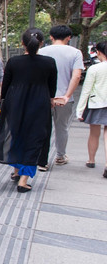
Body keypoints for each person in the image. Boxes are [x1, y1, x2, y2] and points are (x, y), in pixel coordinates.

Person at [0, 29, 57, 192]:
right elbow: (52, 86)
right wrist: (51, 99)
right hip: (39, 102)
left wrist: (3, 101)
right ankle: (23, 180)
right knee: (35, 138)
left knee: (16, 134)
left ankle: (16, 171)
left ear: (23, 43)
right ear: (41, 43)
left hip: (15, 101)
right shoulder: (49, 62)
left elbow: (6, 85)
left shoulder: (14, 61)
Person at [37, 25, 84, 168]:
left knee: (42, 127)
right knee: (61, 128)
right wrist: (67, 96)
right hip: (64, 99)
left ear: (51, 36)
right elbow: (76, 76)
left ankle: (41, 159)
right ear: (69, 37)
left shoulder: (41, 51)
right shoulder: (75, 53)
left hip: (44, 97)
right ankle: (60, 156)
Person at [76, 42, 107, 177]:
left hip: (97, 103)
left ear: (99, 52)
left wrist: (80, 109)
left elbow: (86, 90)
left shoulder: (94, 69)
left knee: (94, 133)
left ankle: (91, 160)